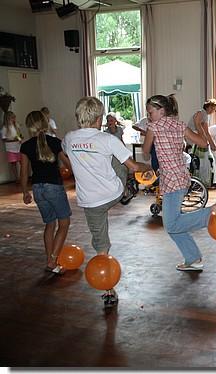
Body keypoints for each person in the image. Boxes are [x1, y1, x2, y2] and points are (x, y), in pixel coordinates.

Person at [62, 97, 152, 308]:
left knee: (101, 244)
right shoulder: (107, 139)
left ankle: (108, 290)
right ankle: (128, 190)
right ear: (99, 117)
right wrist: (148, 167)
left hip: (90, 201)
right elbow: (132, 167)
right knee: (118, 158)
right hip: (113, 192)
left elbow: (65, 152)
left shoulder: (68, 138)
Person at [142, 94, 216, 272]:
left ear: (161, 110)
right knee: (174, 225)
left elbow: (145, 152)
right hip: (182, 177)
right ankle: (192, 258)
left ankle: (210, 213)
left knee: (171, 224)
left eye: (150, 112)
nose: (149, 116)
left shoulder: (153, 127)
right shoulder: (179, 125)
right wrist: (198, 127)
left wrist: (147, 139)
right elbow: (203, 143)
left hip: (172, 181)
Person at [20, 110, 72, 273]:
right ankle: (53, 261)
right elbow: (68, 164)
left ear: (29, 127)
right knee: (64, 224)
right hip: (54, 187)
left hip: (37, 189)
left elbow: (23, 172)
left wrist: (25, 192)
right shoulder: (55, 142)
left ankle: (50, 259)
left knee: (50, 224)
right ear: (45, 123)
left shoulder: (25, 146)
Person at [187, 99, 216, 187]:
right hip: (192, 136)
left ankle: (203, 180)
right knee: (202, 158)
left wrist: (212, 143)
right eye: (213, 108)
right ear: (209, 106)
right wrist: (205, 140)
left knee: (206, 158)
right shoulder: (201, 113)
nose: (213, 111)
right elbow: (198, 126)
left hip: (196, 137)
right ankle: (199, 180)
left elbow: (206, 132)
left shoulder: (205, 116)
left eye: (215, 109)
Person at [1, 111, 23, 181]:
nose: (14, 119)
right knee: (13, 164)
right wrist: (13, 140)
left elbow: (20, 135)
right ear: (7, 119)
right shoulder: (4, 128)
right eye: (12, 118)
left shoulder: (16, 126)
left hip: (18, 147)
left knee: (22, 162)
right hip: (10, 149)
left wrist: (20, 137)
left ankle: (22, 176)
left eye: (14, 117)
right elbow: (4, 139)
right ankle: (17, 178)